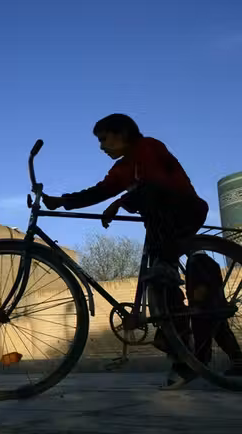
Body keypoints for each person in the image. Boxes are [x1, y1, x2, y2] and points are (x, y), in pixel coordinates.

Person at [41, 114, 241, 388]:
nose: (101, 147)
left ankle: (166, 271)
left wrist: (120, 202)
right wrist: (62, 201)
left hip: (183, 210)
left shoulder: (147, 147)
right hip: (160, 229)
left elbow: (155, 182)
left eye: (103, 139)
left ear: (121, 133)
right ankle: (182, 350)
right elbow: (99, 191)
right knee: (167, 294)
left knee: (148, 196)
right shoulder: (121, 169)